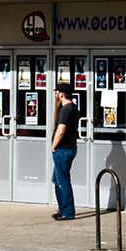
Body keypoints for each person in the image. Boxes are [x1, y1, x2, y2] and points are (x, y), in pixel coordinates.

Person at [50, 81, 81, 220]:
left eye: (56, 92)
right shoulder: (72, 107)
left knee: (63, 181)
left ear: (61, 94)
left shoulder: (66, 109)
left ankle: (68, 212)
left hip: (63, 150)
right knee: (57, 180)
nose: (55, 94)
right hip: (69, 148)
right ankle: (62, 208)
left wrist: (54, 146)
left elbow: (61, 130)